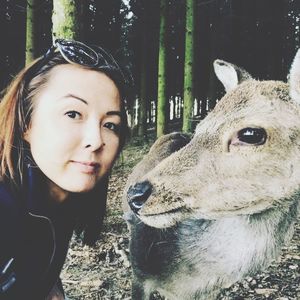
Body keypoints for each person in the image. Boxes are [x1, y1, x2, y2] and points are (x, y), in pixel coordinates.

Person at [0, 39, 130, 299]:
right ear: (26, 123)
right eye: (73, 114)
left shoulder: (62, 195)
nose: (96, 140)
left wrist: (51, 287)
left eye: (110, 124)